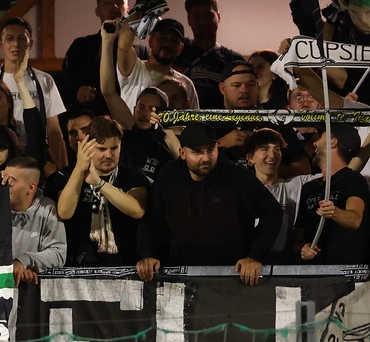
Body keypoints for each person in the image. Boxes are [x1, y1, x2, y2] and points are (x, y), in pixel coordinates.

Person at [136, 122, 282, 285]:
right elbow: (151, 219)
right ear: (182, 153)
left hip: (232, 276)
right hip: (179, 276)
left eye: (210, 150)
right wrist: (147, 255)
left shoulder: (237, 176)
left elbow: (273, 212)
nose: (205, 158)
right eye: (197, 152)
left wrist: (254, 256)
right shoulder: (168, 176)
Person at [0, 17, 67, 167]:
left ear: (30, 43)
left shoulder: (45, 80)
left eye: (21, 38)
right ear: (0, 44)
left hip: (34, 158)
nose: (16, 44)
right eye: (10, 38)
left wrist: (63, 171)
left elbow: (54, 132)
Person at [56, 118, 148, 267]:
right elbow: (65, 212)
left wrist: (99, 184)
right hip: (81, 263)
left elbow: (137, 210)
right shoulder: (69, 176)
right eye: (101, 149)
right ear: (87, 147)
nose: (108, 155)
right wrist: (80, 168)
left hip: (125, 262)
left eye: (114, 148)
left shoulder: (132, 175)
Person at [100, 22, 180, 182]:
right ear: (135, 108)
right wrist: (107, 43)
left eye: (153, 108)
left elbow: (185, 164)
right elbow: (108, 92)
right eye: (141, 107)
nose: (145, 113)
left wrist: (168, 131)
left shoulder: (168, 143)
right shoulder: (129, 130)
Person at [214, 60, 310, 176]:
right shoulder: (212, 122)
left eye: (250, 85)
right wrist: (220, 144)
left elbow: (304, 168)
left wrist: (265, 168)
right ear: (222, 88)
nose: (244, 90)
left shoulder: (274, 120)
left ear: (257, 86)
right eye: (236, 85)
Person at [297, 125, 370, 265]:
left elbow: (355, 220)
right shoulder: (310, 188)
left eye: (321, 138)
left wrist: (334, 212)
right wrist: (302, 247)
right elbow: (297, 238)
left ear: (333, 142)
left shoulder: (353, 180)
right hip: (310, 271)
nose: (315, 143)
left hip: (341, 272)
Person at [244, 129, 319, 264]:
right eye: (264, 149)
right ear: (250, 158)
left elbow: (339, 175)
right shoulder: (241, 192)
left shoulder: (296, 185)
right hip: (249, 264)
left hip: (284, 264)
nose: (272, 155)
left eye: (277, 149)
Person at [61, 0, 131, 116]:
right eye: (107, 3)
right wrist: (79, 92)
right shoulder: (81, 46)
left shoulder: (138, 51)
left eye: (119, 2)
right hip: (91, 118)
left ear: (127, 10)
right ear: (97, 11)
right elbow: (66, 84)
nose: (114, 7)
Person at [173, 0, 242, 109]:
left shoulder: (233, 60)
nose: (203, 21)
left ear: (218, 17)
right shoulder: (176, 51)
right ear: (189, 20)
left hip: (220, 125)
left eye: (208, 15)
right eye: (196, 16)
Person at [2, 157, 66, 285]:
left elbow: (58, 253)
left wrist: (25, 261)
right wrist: (12, 269)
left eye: (10, 182)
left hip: (33, 293)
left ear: (31, 188)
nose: (3, 185)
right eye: (3, 179)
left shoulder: (47, 210)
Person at [117, 16, 199, 111]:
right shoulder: (135, 69)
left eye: (174, 40)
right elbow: (123, 45)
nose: (167, 44)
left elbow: (193, 122)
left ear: (180, 49)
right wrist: (141, 11)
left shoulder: (186, 84)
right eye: (163, 38)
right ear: (150, 41)